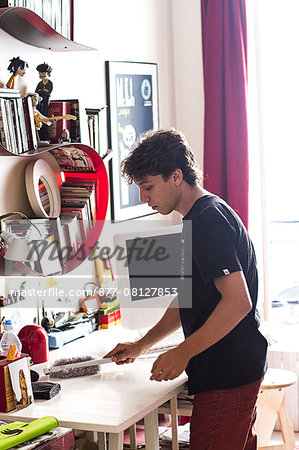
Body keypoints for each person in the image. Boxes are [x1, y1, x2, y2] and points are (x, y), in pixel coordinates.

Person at [104, 128, 268, 450]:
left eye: (148, 187)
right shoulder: (203, 215)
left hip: (228, 373)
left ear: (176, 176)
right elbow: (187, 300)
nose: (144, 198)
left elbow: (238, 302)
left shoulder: (207, 222)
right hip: (233, 368)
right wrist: (142, 344)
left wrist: (182, 352)